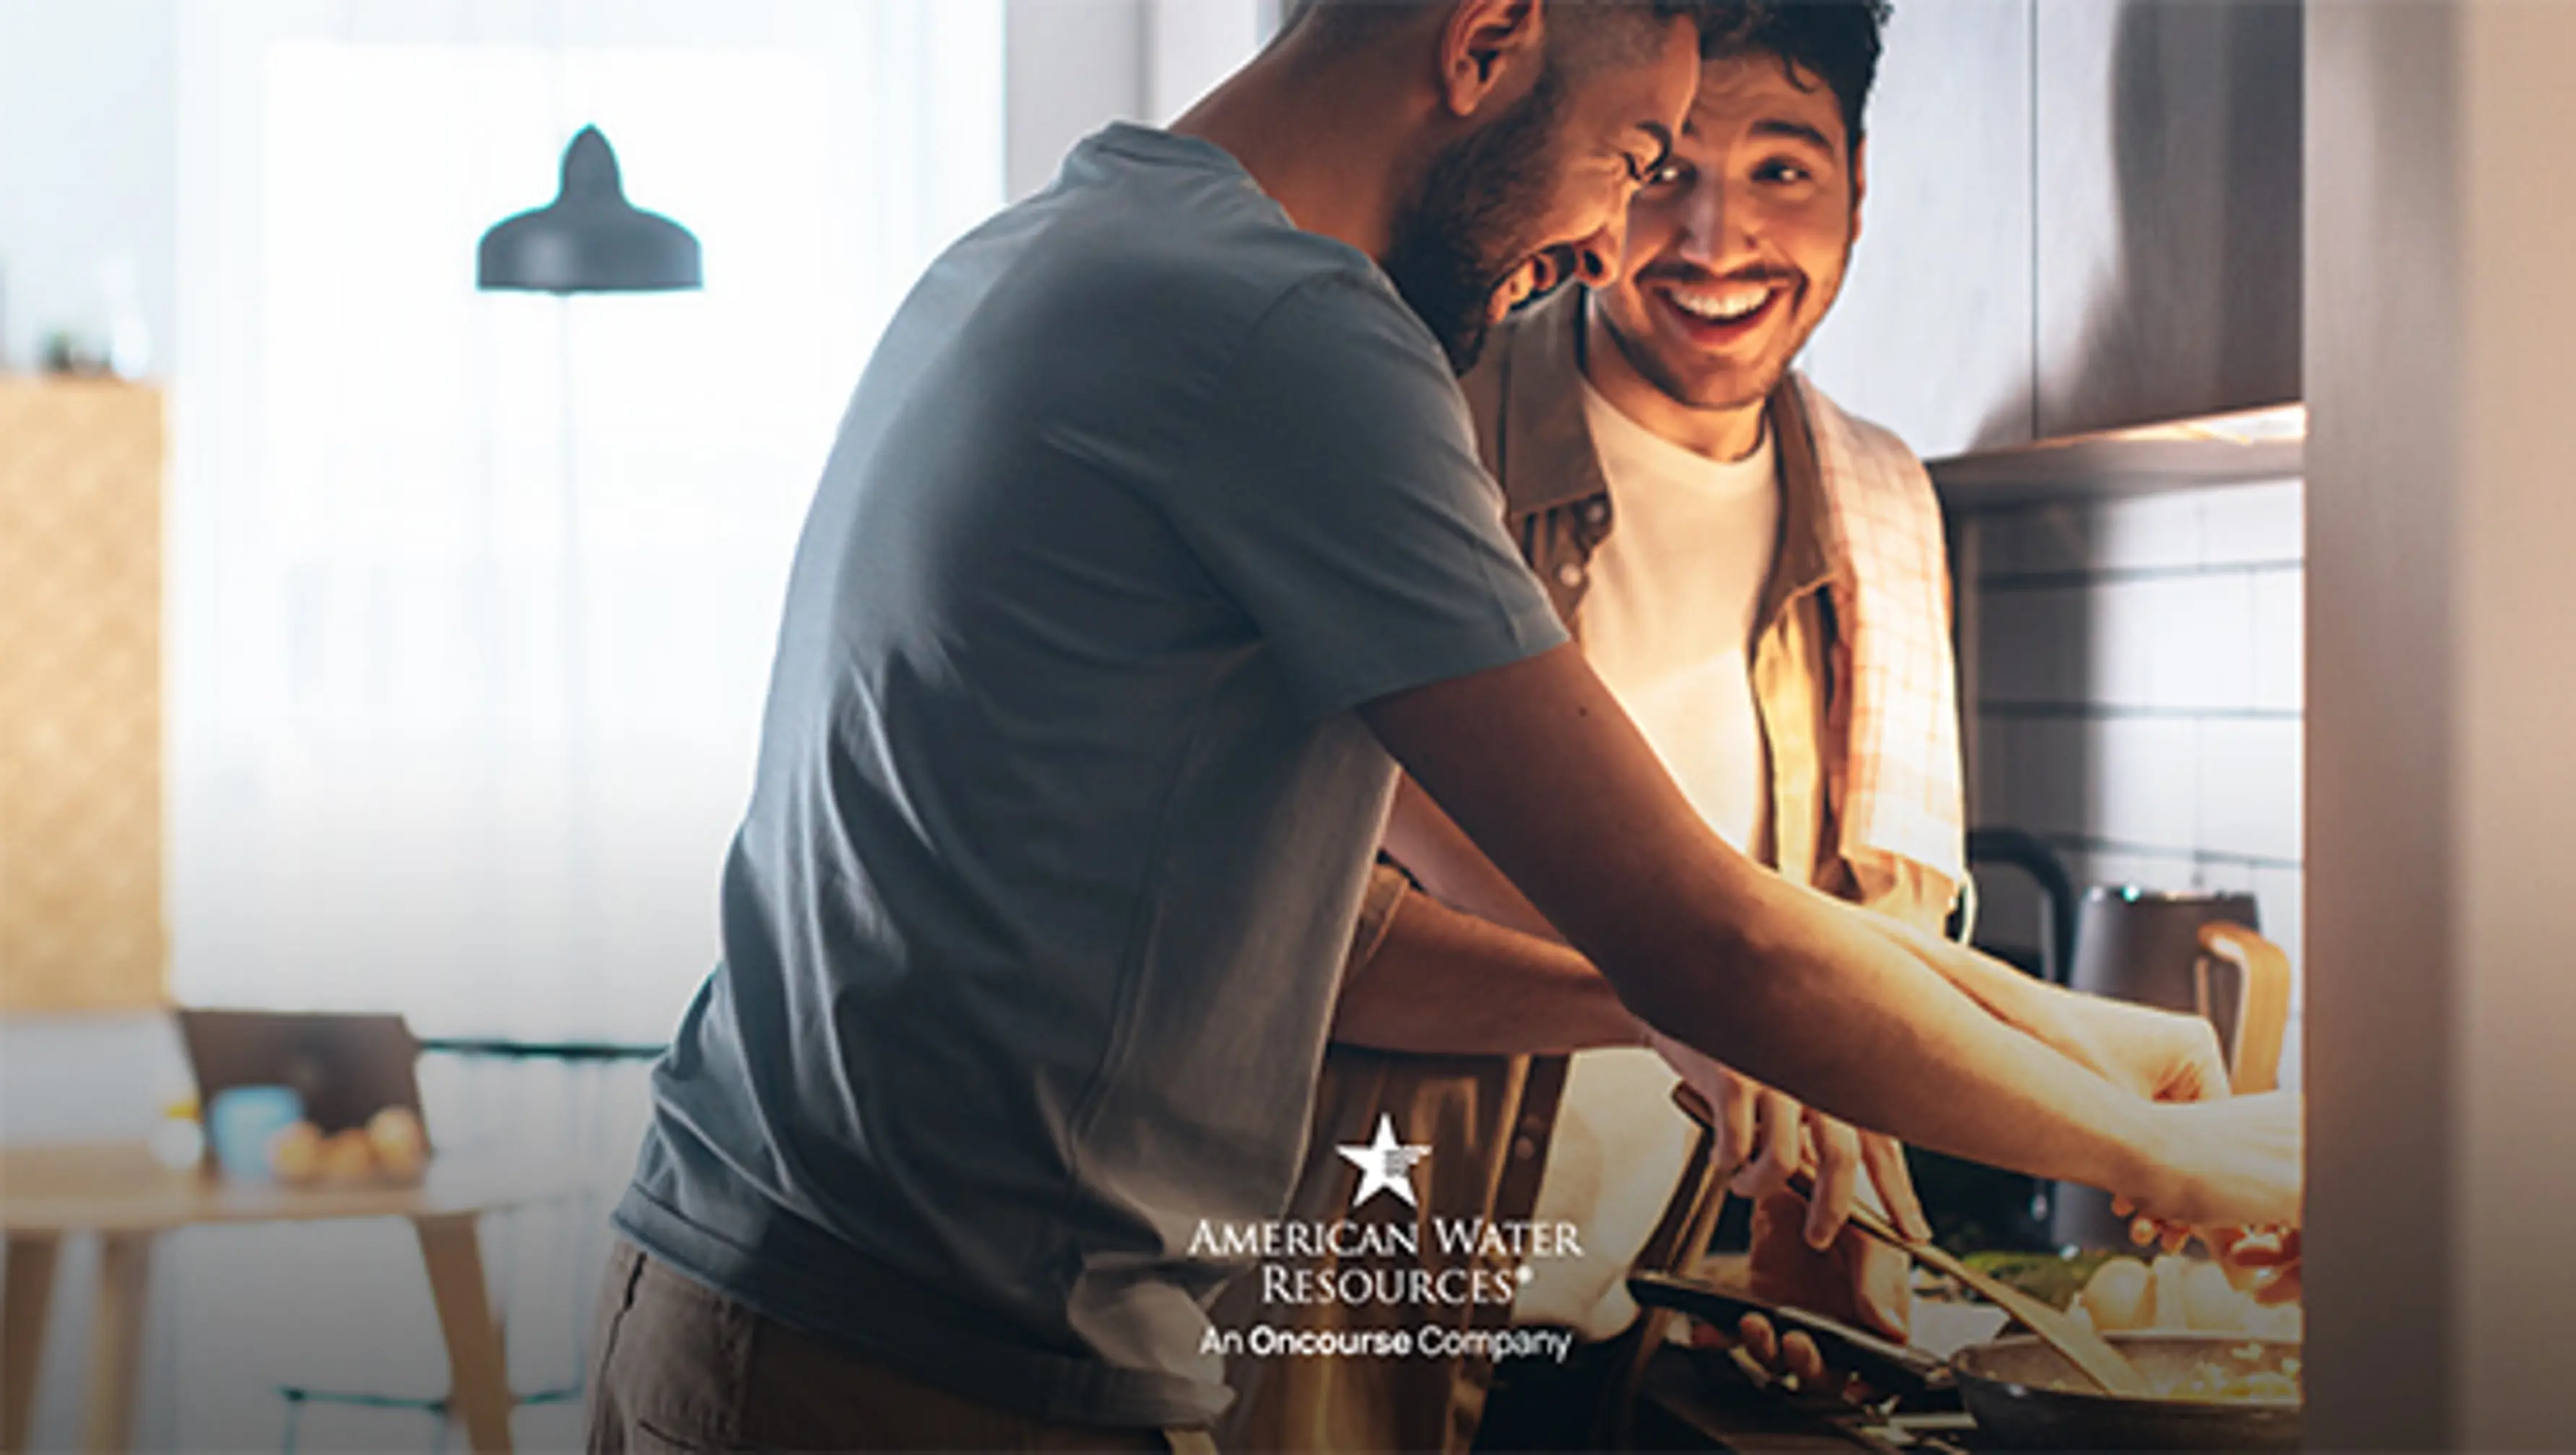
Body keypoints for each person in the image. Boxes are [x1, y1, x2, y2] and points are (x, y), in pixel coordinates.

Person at [587, 1, 2301, 1451]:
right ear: (1486, 41)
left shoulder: (1073, 244)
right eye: (1636, 157)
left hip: (766, 1308)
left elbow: (1466, 917)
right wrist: (2172, 1157)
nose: (1611, 239)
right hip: (916, 1377)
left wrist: (2081, 1043)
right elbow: (1698, 934)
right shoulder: (1287, 331)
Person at [1215, 8, 1974, 1449]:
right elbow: (1303, 936)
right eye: (1663, 167)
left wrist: (1816, 1232)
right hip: (1356, 1318)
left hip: (1647, 1336)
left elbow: (1873, 932)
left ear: (1860, 184)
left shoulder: (1880, 506)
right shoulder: (1417, 420)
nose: (1715, 239)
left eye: (1782, 170)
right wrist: (1672, 995)